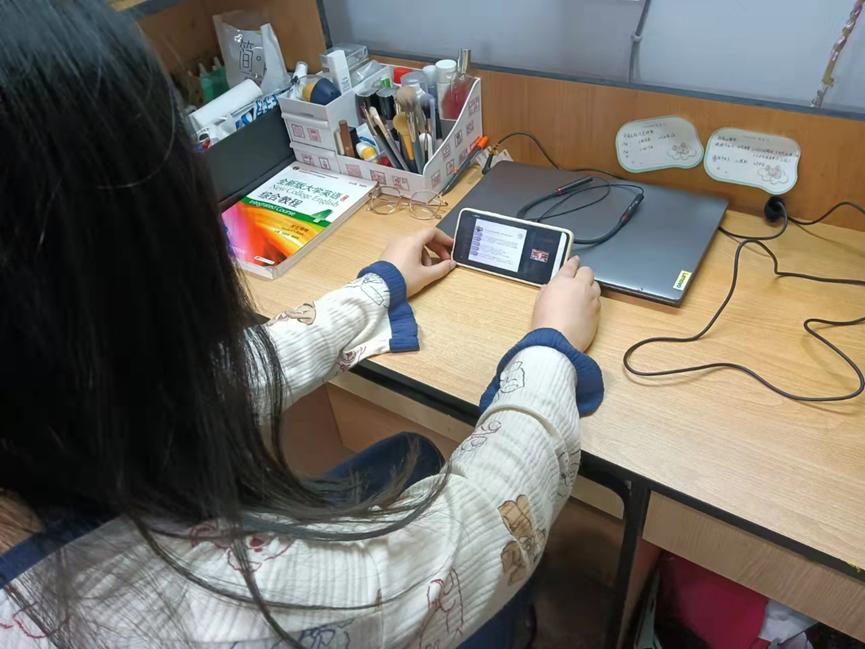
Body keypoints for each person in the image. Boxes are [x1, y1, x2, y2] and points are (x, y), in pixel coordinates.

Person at [0, 0, 603, 647]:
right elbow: (481, 531)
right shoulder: (231, 609)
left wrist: (379, 286)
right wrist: (550, 348)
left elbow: (212, 381)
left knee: (415, 455)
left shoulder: (49, 410)